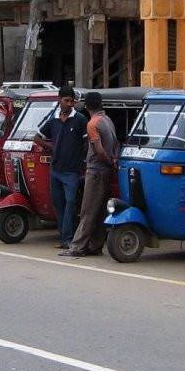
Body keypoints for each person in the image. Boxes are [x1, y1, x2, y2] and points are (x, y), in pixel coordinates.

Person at [63, 91, 118, 258]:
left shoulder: (92, 124)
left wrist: (108, 161)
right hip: (106, 171)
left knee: (87, 210)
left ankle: (77, 247)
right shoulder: (108, 120)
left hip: (95, 171)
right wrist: (113, 161)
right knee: (100, 211)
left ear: (86, 106)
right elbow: (117, 144)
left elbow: (98, 150)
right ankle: (95, 245)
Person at [38, 85, 87, 250]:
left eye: (72, 101)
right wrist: (52, 147)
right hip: (55, 170)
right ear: (59, 100)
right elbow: (37, 137)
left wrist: (82, 159)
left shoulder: (80, 119)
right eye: (66, 101)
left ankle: (68, 238)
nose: (69, 104)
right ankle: (64, 237)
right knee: (58, 204)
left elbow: (87, 142)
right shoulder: (53, 120)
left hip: (72, 171)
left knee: (71, 203)